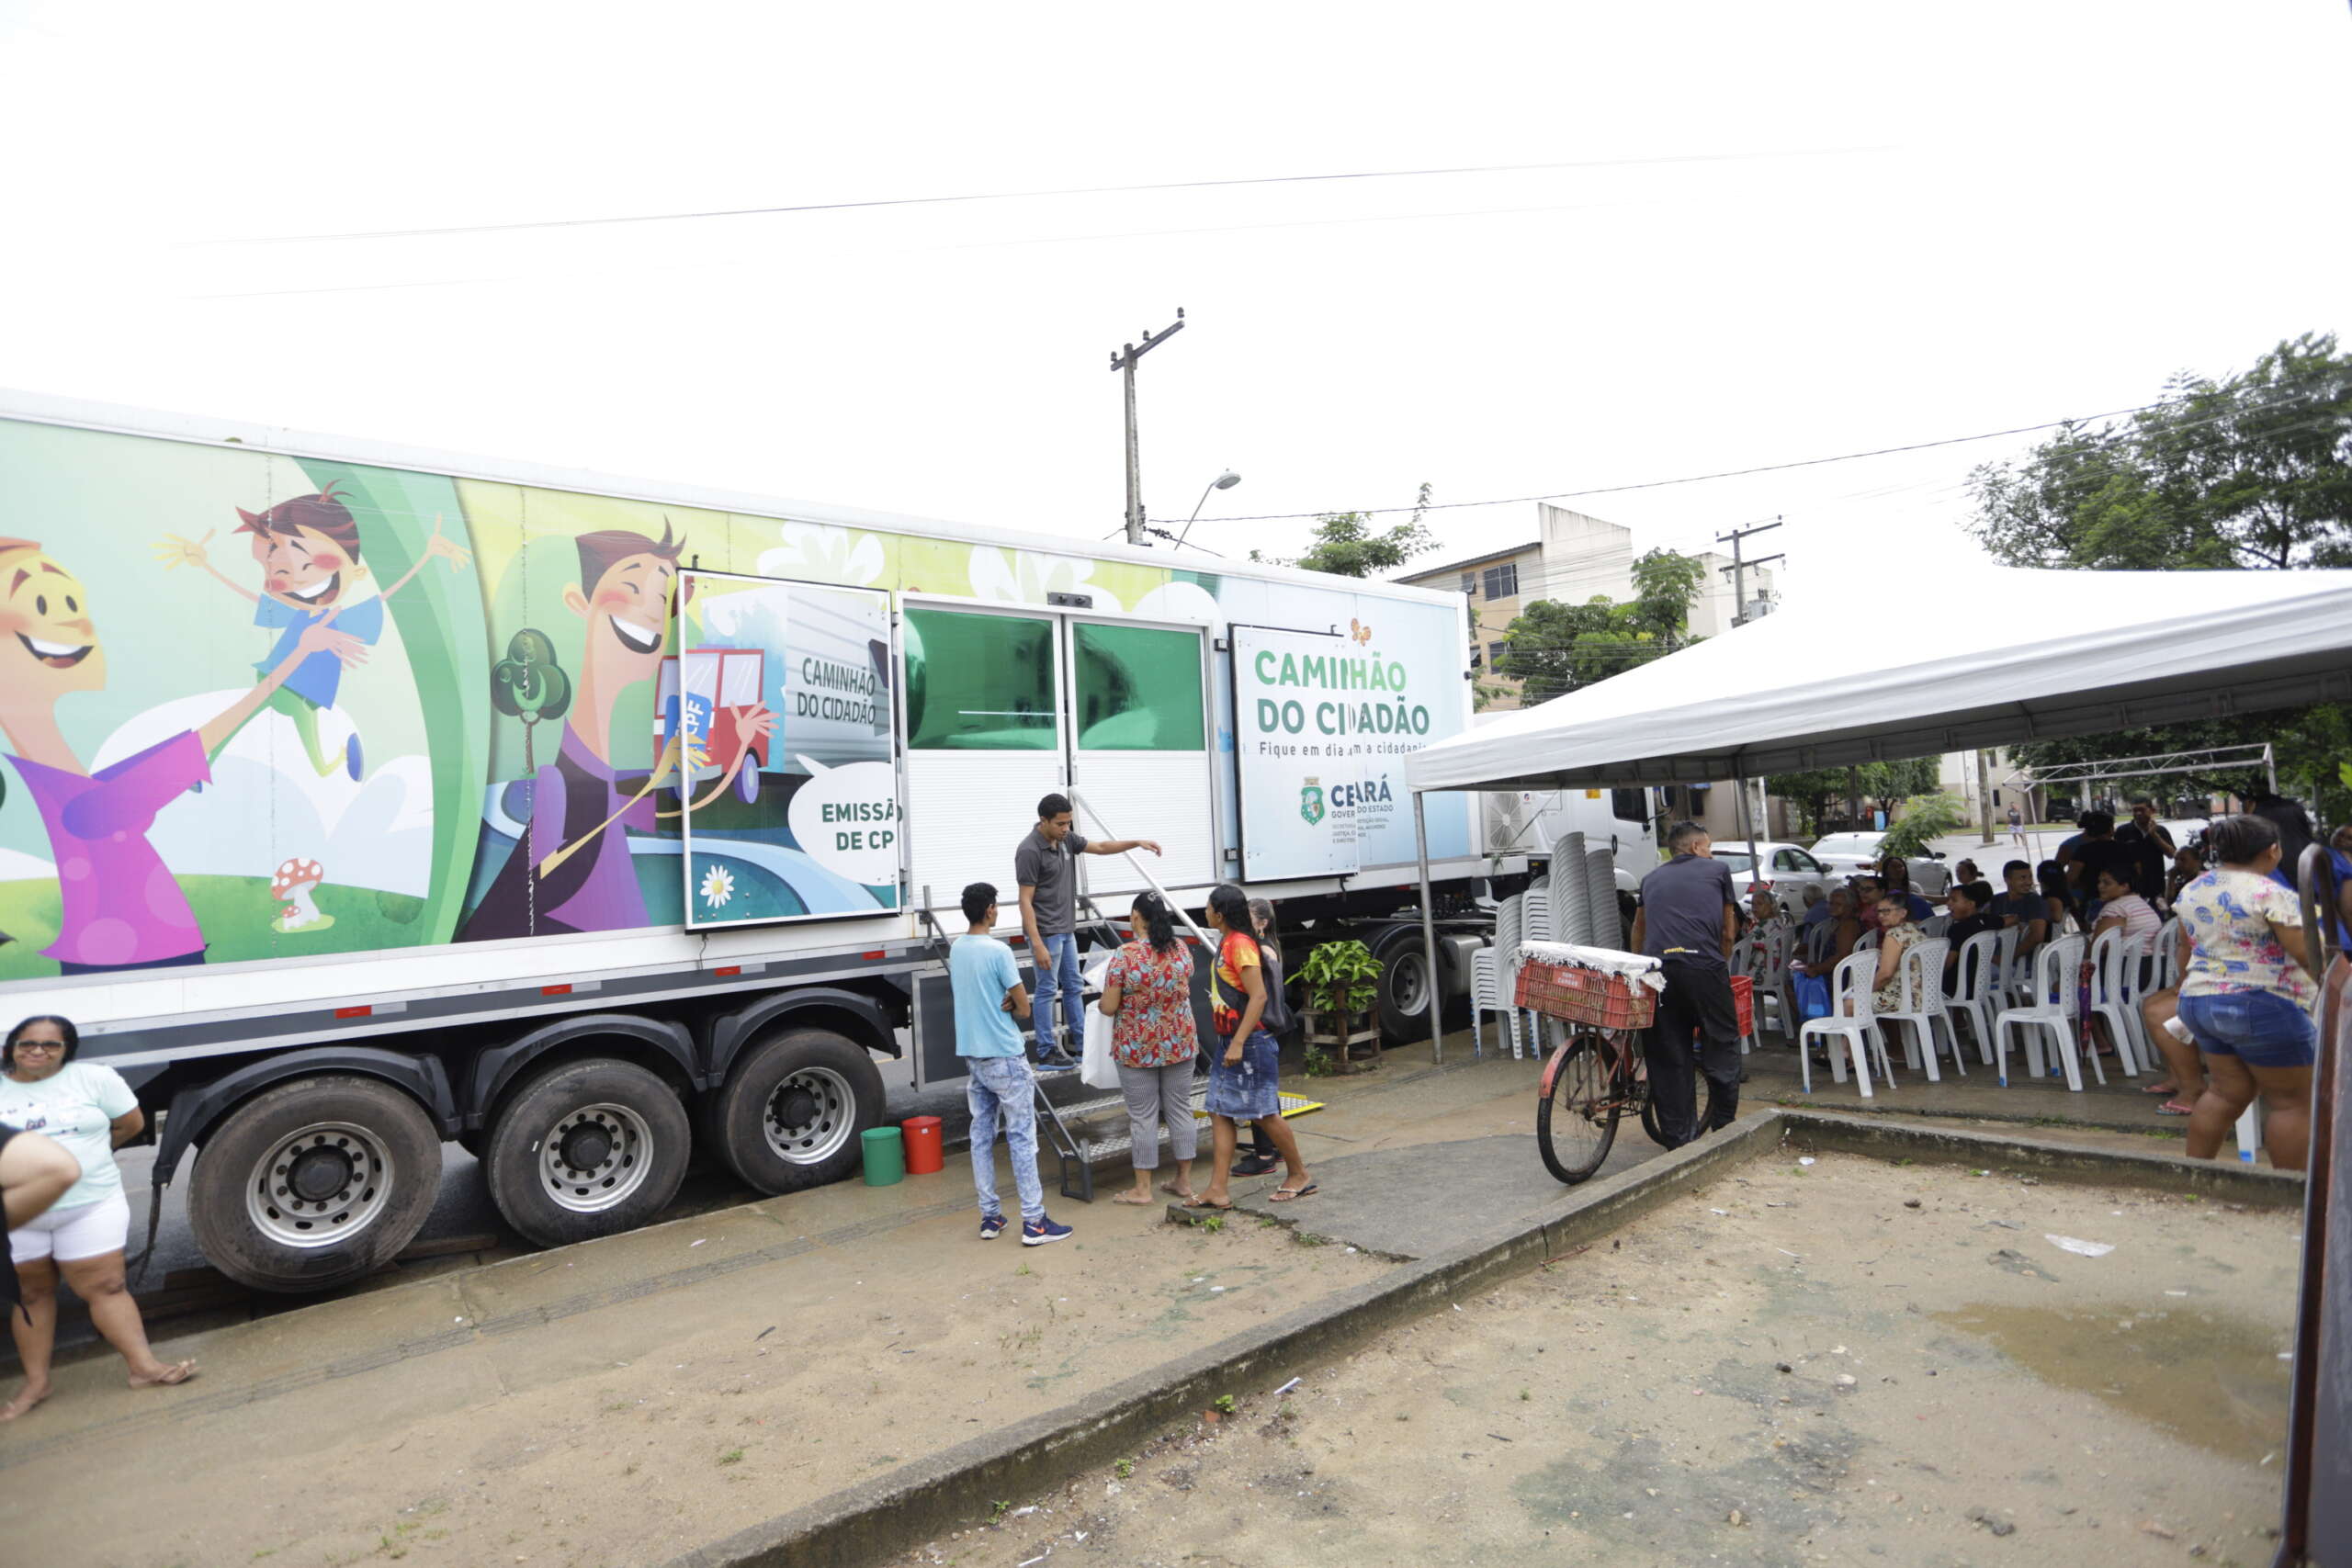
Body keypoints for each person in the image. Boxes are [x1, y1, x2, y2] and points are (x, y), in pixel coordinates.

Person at [2, 1016, 197, 1421]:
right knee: (31, 1295)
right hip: (18, 1213)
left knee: (107, 1285)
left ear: (66, 1050)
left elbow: (131, 1124)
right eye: (28, 1043)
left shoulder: (95, 1079)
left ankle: (142, 1368)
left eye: (50, 1045)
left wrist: (88, 1157)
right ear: (11, 1046)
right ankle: (37, 1383)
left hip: (92, 1203)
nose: (38, 1050)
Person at [2172, 814, 2317, 1168]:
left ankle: (2196, 1178)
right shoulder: (2269, 893)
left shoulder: (2193, 888)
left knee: (2225, 1092)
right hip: (2260, 1005)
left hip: (2199, 1002)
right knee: (2292, 1103)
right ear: (2273, 850)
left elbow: (2183, 947)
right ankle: (2289, 1193)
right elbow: (2308, 955)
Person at [949, 884, 1072, 1246]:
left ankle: (990, 1216)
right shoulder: (998, 951)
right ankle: (1034, 1222)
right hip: (1005, 1054)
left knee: (981, 1135)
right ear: (989, 910)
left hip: (974, 1056)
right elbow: (1023, 1007)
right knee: (1021, 1137)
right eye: (996, 906)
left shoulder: (957, 948)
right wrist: (1009, 1000)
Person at [1013, 794, 1162, 1068]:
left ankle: (1082, 1047)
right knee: (1047, 989)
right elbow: (1025, 900)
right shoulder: (1029, 850)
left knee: (1073, 986)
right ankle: (1046, 1053)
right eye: (1060, 823)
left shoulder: (1066, 839)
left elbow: (1102, 847)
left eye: (1068, 822)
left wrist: (1136, 842)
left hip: (1066, 929)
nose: (1066, 828)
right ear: (1043, 821)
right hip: (1046, 932)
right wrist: (1036, 943)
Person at [1188, 884, 1313, 1210]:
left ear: (1219, 913)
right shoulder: (1230, 942)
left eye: (1208, 906)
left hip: (1250, 1042)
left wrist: (1239, 1042)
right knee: (1219, 1111)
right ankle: (1217, 1189)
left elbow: (1258, 996)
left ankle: (1299, 1175)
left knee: (1264, 1113)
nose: (1205, 911)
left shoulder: (1240, 944)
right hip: (1233, 1042)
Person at [1628, 821, 1740, 1148]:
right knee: (1721, 1044)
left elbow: (1639, 928)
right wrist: (1720, 964)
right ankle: (1724, 1131)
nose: (1711, 852)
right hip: (1704, 968)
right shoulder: (1718, 871)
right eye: (1708, 846)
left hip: (1658, 973)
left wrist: (1640, 967)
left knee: (1667, 1056)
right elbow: (1728, 931)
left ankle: (1679, 1142)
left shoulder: (1650, 879)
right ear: (1695, 848)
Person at [1098, 893, 1199, 1206]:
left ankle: (1143, 1189)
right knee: (1180, 1109)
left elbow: (1109, 1006)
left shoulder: (1124, 955)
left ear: (1135, 916)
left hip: (1137, 1047)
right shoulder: (1180, 948)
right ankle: (1183, 1181)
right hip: (1180, 1042)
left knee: (1143, 1117)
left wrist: (1102, 1002)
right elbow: (1185, 981)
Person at [1229, 897, 1289, 1179]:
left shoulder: (1262, 952)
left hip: (1262, 1027)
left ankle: (1265, 1155)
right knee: (1265, 1091)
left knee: (1257, 1093)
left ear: (1263, 923)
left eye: (1249, 918)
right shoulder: (1267, 948)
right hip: (1272, 1026)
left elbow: (1261, 997)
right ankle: (1272, 1147)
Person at [1941, 880, 2003, 995]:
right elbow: (2012, 918)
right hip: (1982, 979)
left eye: (1954, 900)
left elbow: (1948, 963)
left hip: (1957, 986)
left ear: (1970, 904)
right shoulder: (1986, 920)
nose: (1948, 904)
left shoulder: (1957, 929)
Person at [1876, 857, 1933, 923]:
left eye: (1900, 866)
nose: (1897, 869)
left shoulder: (1914, 887)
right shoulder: (1879, 889)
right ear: (1886, 870)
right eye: (1893, 867)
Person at [2167, 844, 2207, 908]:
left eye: (2183, 859)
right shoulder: (2183, 879)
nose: (2178, 863)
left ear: (2197, 861)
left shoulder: (2201, 880)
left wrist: (2171, 879)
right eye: (2176, 859)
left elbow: (2172, 906)